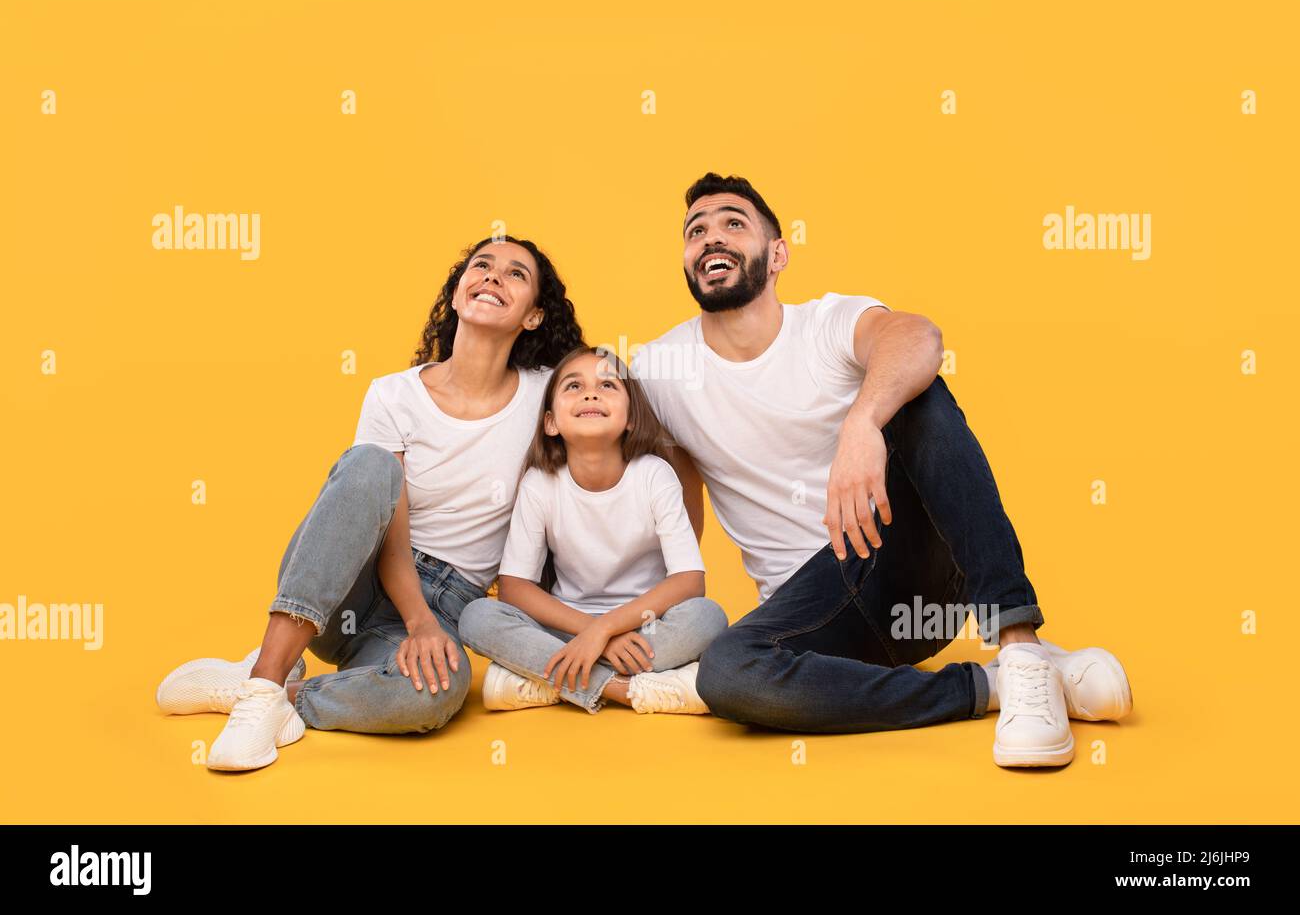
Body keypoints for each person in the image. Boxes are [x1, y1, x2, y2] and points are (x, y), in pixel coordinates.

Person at [629, 172, 1134, 767]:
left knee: (920, 395)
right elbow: (670, 496)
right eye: (696, 232)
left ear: (779, 252)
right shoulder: (661, 369)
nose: (712, 239)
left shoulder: (828, 323)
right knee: (729, 672)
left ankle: (1019, 643)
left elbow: (919, 334)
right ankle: (999, 685)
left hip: (910, 574)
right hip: (814, 621)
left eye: (733, 224)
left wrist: (862, 424)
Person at [155, 235, 585, 770]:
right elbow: (386, 527)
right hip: (348, 584)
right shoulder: (392, 394)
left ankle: (273, 694)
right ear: (456, 295)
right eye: (482, 266)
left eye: (516, 274)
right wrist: (416, 615)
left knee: (436, 694)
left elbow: (620, 427)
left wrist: (433, 623)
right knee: (370, 464)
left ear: (534, 317)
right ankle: (265, 683)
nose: (494, 277)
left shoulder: (547, 397)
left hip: (452, 602)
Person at [458, 346, 729, 715]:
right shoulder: (541, 483)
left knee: (706, 617)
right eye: (573, 386)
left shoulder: (653, 474)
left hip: (641, 630)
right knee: (477, 616)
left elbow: (689, 582)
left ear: (631, 418)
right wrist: (594, 633)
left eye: (607, 385)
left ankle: (545, 681)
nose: (591, 393)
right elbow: (514, 588)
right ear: (551, 422)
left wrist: (607, 631)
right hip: (567, 627)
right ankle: (623, 688)